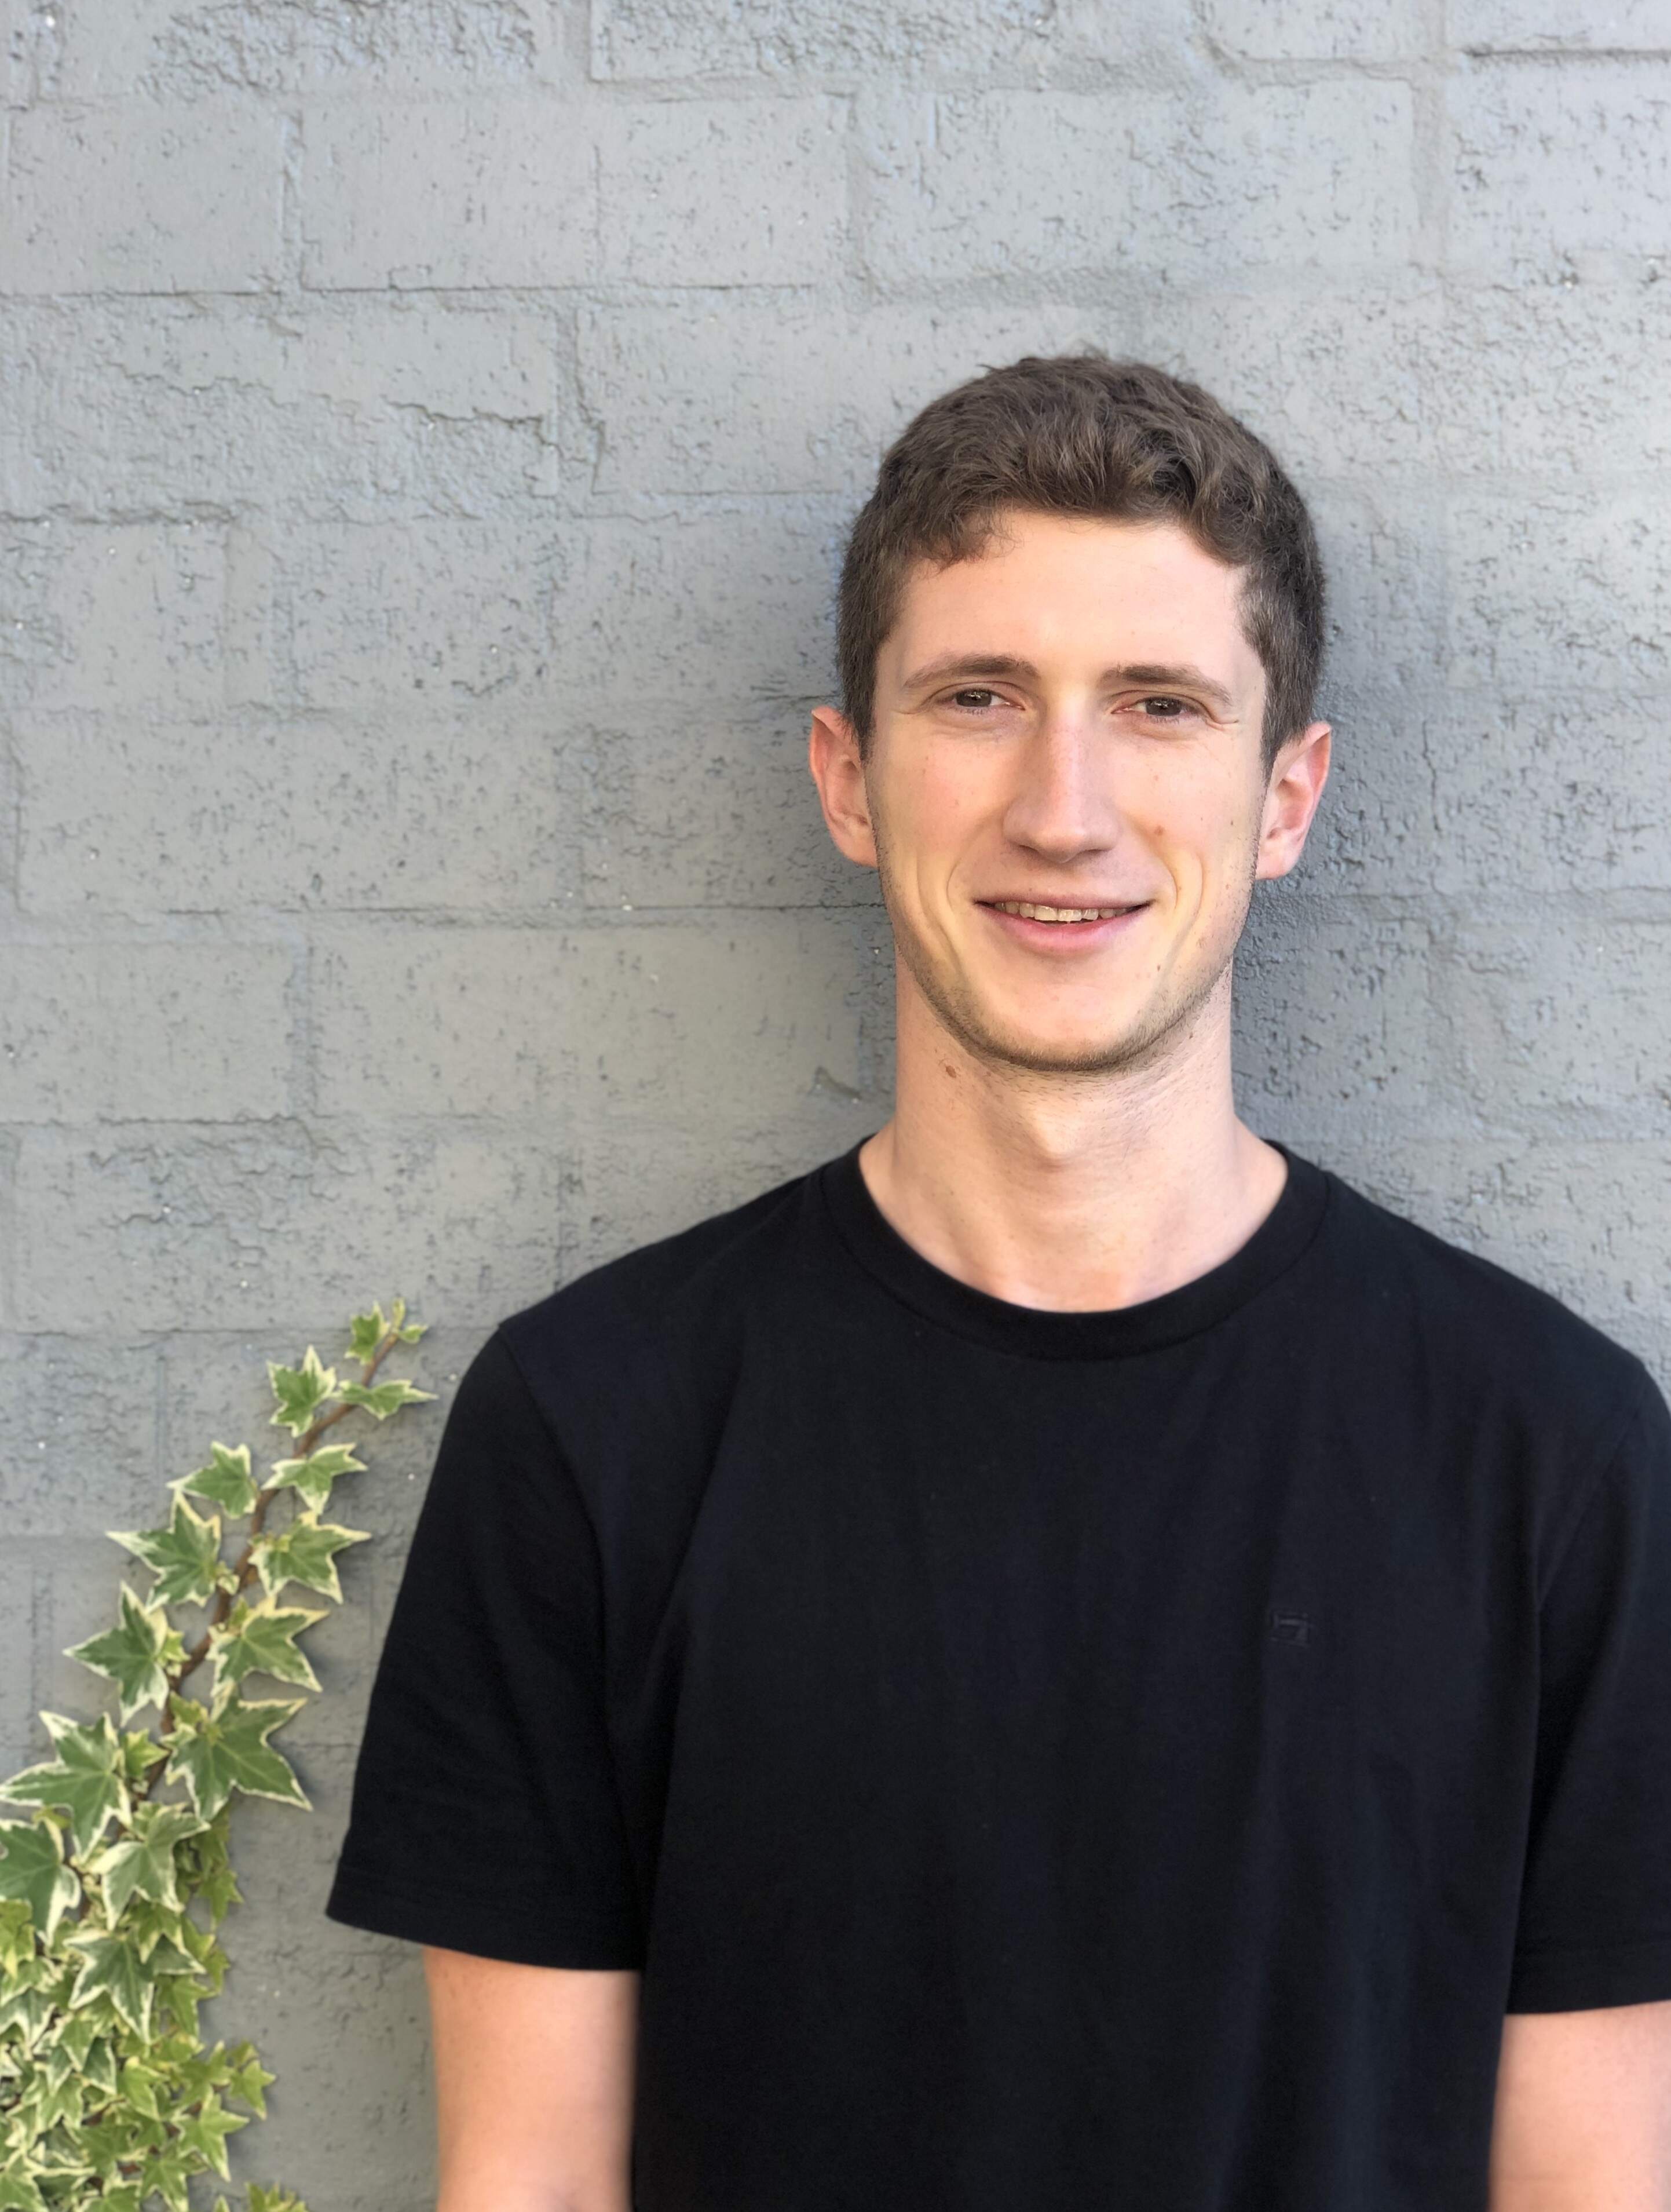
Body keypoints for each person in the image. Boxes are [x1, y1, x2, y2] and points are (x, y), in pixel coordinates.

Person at [323, 356, 1671, 2211]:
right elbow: (529, 2183)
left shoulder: (1556, 1457)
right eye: (978, 698)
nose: (1067, 806)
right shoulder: (593, 1428)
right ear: (848, 778)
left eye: (1161, 705)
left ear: (1288, 795)